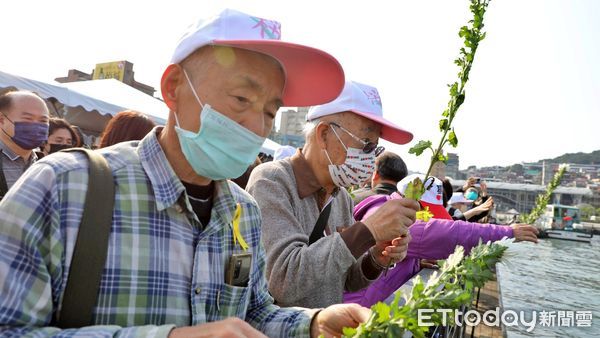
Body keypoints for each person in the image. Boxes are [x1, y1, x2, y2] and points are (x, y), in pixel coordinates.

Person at [0, 9, 370, 337]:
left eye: (270, 112)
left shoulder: (245, 213)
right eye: (241, 99)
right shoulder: (64, 187)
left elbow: (253, 312)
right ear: (174, 88)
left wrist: (312, 323)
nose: (256, 126)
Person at [246, 80, 419, 308]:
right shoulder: (272, 181)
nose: (370, 158)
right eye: (365, 144)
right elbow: (283, 280)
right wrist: (367, 231)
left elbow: (347, 279)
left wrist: (377, 257)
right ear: (324, 134)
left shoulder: (342, 197)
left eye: (375, 149)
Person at [344, 174, 540, 307]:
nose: (429, 218)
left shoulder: (388, 209)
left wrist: (414, 261)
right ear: (411, 200)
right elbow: (447, 234)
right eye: (427, 211)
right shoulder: (397, 219)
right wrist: (507, 233)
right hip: (357, 311)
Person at [0, 90, 49, 200]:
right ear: (2, 120)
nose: (36, 126)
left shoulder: (47, 165)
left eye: (43, 121)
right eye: (28, 119)